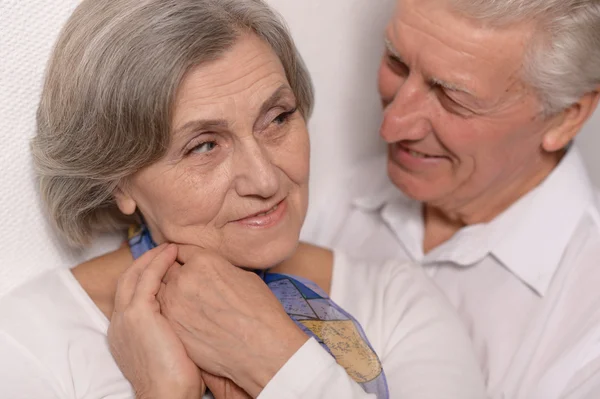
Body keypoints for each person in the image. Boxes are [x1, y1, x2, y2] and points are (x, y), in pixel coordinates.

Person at [0, 0, 485, 398]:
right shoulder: (28, 341)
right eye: (204, 145)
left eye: (277, 118)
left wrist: (270, 355)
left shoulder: (396, 302)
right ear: (118, 180)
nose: (266, 179)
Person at [302, 0, 600, 398]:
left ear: (567, 117)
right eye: (396, 61)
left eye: (453, 98)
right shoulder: (327, 193)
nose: (391, 126)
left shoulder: (587, 337)